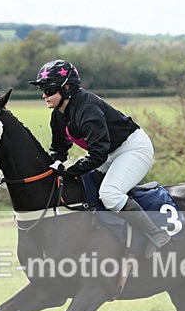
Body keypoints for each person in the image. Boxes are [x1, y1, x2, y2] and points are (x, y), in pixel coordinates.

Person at [30, 59, 170, 258]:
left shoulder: (88, 109)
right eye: (42, 90)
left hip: (133, 148)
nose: (44, 95)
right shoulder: (59, 115)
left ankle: (157, 234)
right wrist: (54, 163)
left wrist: (69, 170)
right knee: (83, 184)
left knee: (110, 194)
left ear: (67, 88)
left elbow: (98, 154)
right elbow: (59, 149)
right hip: (110, 151)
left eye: (49, 89)